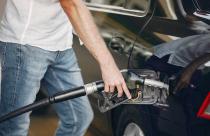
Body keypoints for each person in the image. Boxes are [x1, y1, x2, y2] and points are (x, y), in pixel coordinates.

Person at [0, 0, 131, 136]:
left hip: (61, 45)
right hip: (26, 44)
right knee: (13, 126)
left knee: (79, 118)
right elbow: (72, 4)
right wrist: (108, 65)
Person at [146, 33, 210, 136]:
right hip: (169, 59)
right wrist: (189, 70)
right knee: (152, 103)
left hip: (192, 63)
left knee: (192, 105)